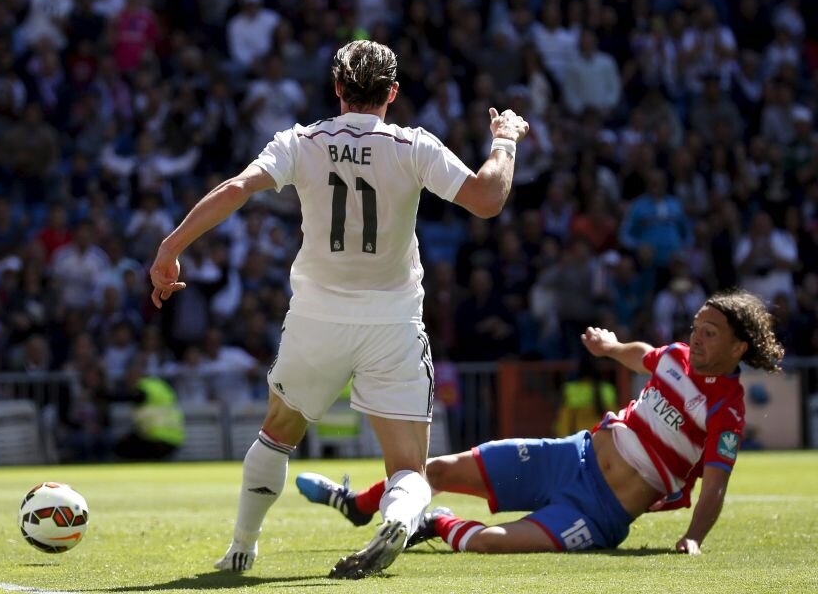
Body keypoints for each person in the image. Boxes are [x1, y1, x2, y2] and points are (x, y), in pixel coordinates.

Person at [149, 40, 529, 577]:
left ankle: (242, 546)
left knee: (276, 434)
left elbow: (238, 188)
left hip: (316, 319)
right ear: (392, 93)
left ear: (336, 89)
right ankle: (397, 518)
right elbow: (488, 200)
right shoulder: (412, 146)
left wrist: (170, 248)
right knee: (407, 469)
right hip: (393, 321)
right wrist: (505, 141)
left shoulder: (301, 142)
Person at [297, 290, 784, 556]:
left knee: (488, 543)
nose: (695, 340)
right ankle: (359, 504)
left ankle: (432, 522)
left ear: (739, 348)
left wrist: (693, 538)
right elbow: (646, 357)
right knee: (439, 469)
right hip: (570, 456)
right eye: (696, 328)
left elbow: (715, 488)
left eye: (710, 333)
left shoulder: (728, 411)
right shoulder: (677, 357)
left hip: (597, 514)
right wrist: (612, 348)